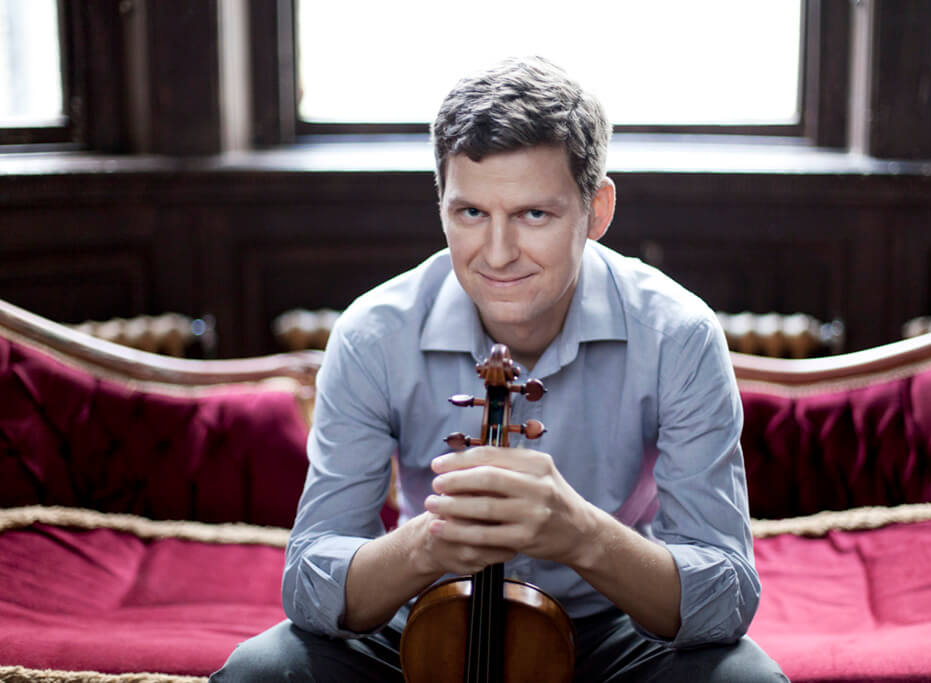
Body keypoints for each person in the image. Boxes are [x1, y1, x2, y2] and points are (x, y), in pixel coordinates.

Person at [212, 56, 787, 682]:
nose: (498, 253)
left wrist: (582, 536)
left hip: (610, 628)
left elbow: (727, 594)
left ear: (597, 211)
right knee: (261, 672)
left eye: (533, 215)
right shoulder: (373, 334)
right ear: (441, 204)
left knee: (745, 680)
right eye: (471, 213)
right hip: (427, 620)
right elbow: (308, 581)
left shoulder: (678, 335)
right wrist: (428, 544)